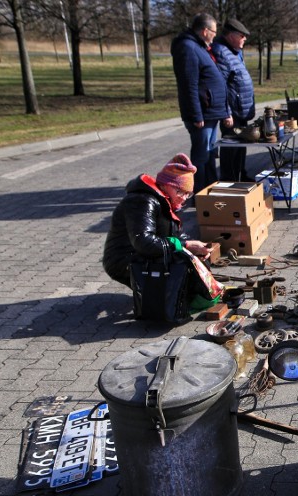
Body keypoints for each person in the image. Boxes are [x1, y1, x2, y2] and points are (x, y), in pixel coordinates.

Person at [102, 154, 222, 314]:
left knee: (193, 266)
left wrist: (192, 246)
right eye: (181, 192)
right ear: (167, 185)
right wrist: (182, 246)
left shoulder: (164, 200)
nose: (184, 198)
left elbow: (175, 235)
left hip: (138, 253)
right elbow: (144, 242)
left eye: (188, 194)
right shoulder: (142, 201)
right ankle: (157, 299)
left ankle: (164, 294)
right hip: (123, 260)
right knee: (180, 278)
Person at [170, 14, 233, 192]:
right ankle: (199, 192)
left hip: (210, 113)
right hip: (202, 115)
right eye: (213, 31)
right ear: (205, 31)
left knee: (210, 153)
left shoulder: (199, 47)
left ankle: (211, 187)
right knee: (201, 155)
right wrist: (196, 114)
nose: (215, 35)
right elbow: (188, 84)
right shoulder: (187, 48)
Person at [212, 18, 256, 182]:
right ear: (231, 35)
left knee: (241, 145)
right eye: (242, 35)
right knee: (230, 147)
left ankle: (240, 174)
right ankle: (229, 179)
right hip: (232, 111)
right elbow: (220, 85)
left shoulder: (235, 52)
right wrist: (226, 113)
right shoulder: (221, 52)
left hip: (241, 110)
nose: (245, 39)